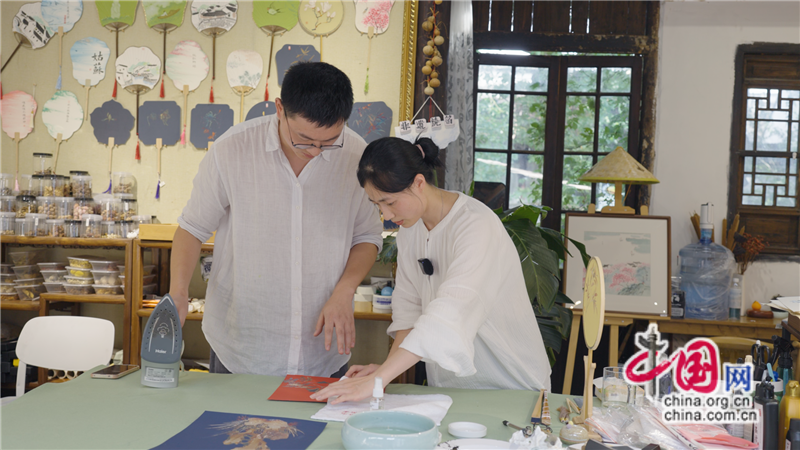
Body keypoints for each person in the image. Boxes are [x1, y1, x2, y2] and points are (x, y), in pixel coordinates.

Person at [171, 62, 383, 377]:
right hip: (241, 347)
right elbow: (192, 228)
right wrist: (178, 292)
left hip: (322, 351)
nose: (316, 151)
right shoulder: (232, 149)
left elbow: (367, 236)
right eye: (304, 139)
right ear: (280, 109)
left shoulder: (355, 155)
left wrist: (345, 289)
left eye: (329, 141)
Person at [311, 137, 551, 403]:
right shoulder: (410, 230)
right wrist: (383, 374)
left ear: (418, 183)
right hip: (452, 391)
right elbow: (409, 312)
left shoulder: (476, 226)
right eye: (376, 204)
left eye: (390, 202)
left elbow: (448, 314)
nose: (386, 215)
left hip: (512, 387)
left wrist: (378, 379)